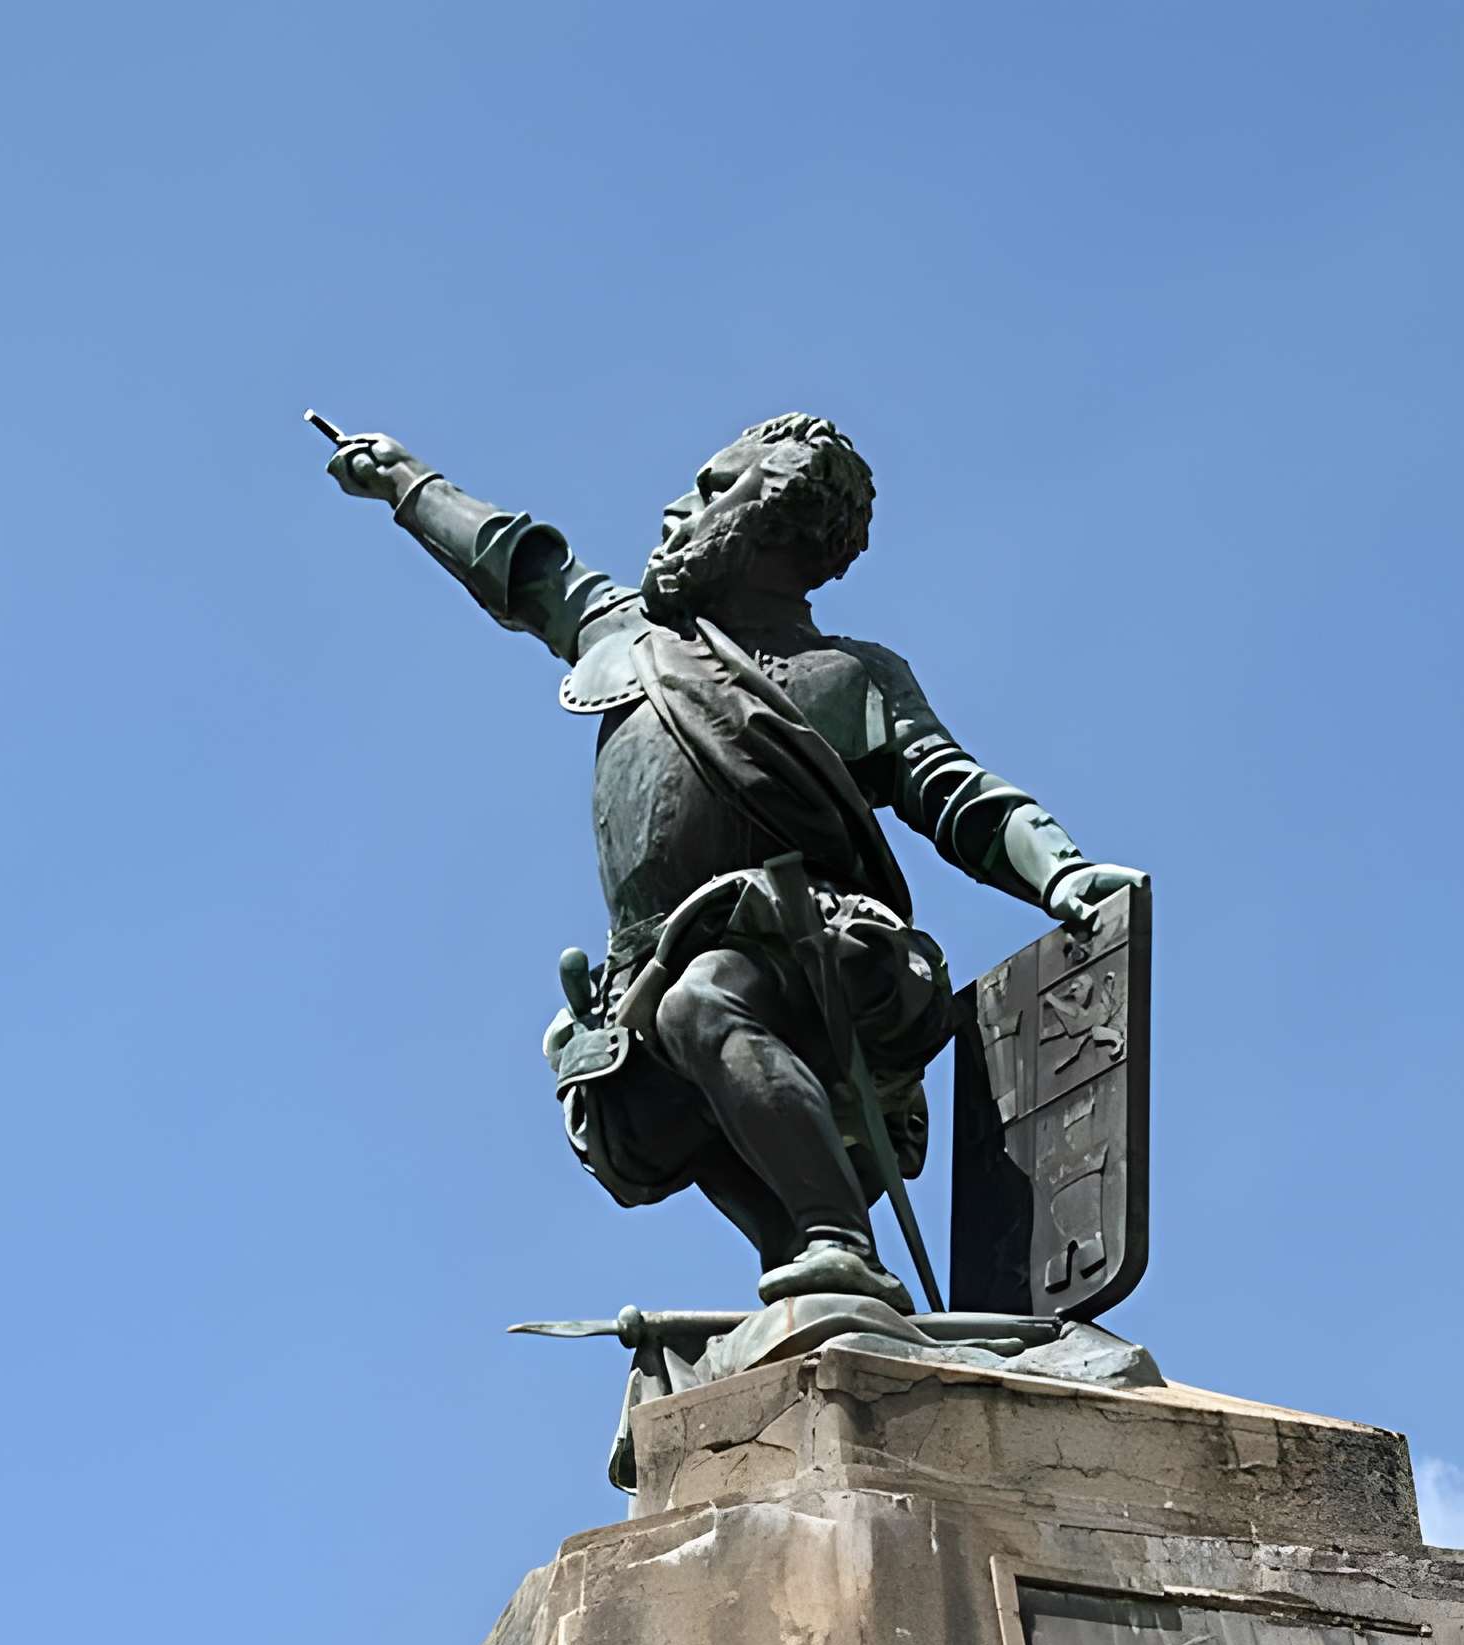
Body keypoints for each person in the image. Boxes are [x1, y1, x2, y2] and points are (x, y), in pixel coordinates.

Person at [323, 412, 1145, 1308]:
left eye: (714, 488)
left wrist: (1060, 872)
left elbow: (954, 792)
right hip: (653, 967)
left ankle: (839, 1240)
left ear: (775, 520)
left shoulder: (851, 675)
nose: (678, 508)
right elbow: (522, 567)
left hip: (825, 953)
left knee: (707, 999)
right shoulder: (629, 639)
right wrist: (408, 483)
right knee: (667, 1080)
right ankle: (806, 1263)